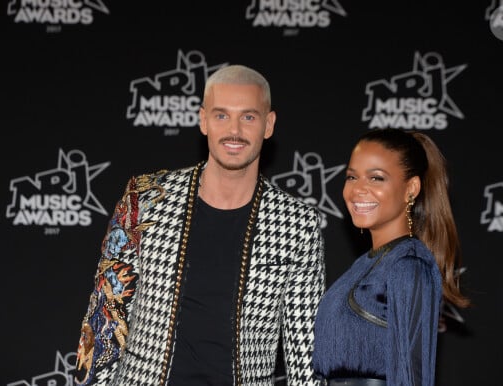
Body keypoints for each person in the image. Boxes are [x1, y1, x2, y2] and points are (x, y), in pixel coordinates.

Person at [73, 64, 325, 386]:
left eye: (248, 117)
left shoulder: (296, 223)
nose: (234, 130)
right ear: (203, 120)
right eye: (222, 115)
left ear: (269, 124)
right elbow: (105, 316)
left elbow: (306, 353)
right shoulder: (145, 198)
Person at [312, 128, 470, 386]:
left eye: (376, 178)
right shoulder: (367, 264)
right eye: (352, 177)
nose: (358, 189)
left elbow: (412, 377)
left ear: (411, 188)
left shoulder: (409, 264)